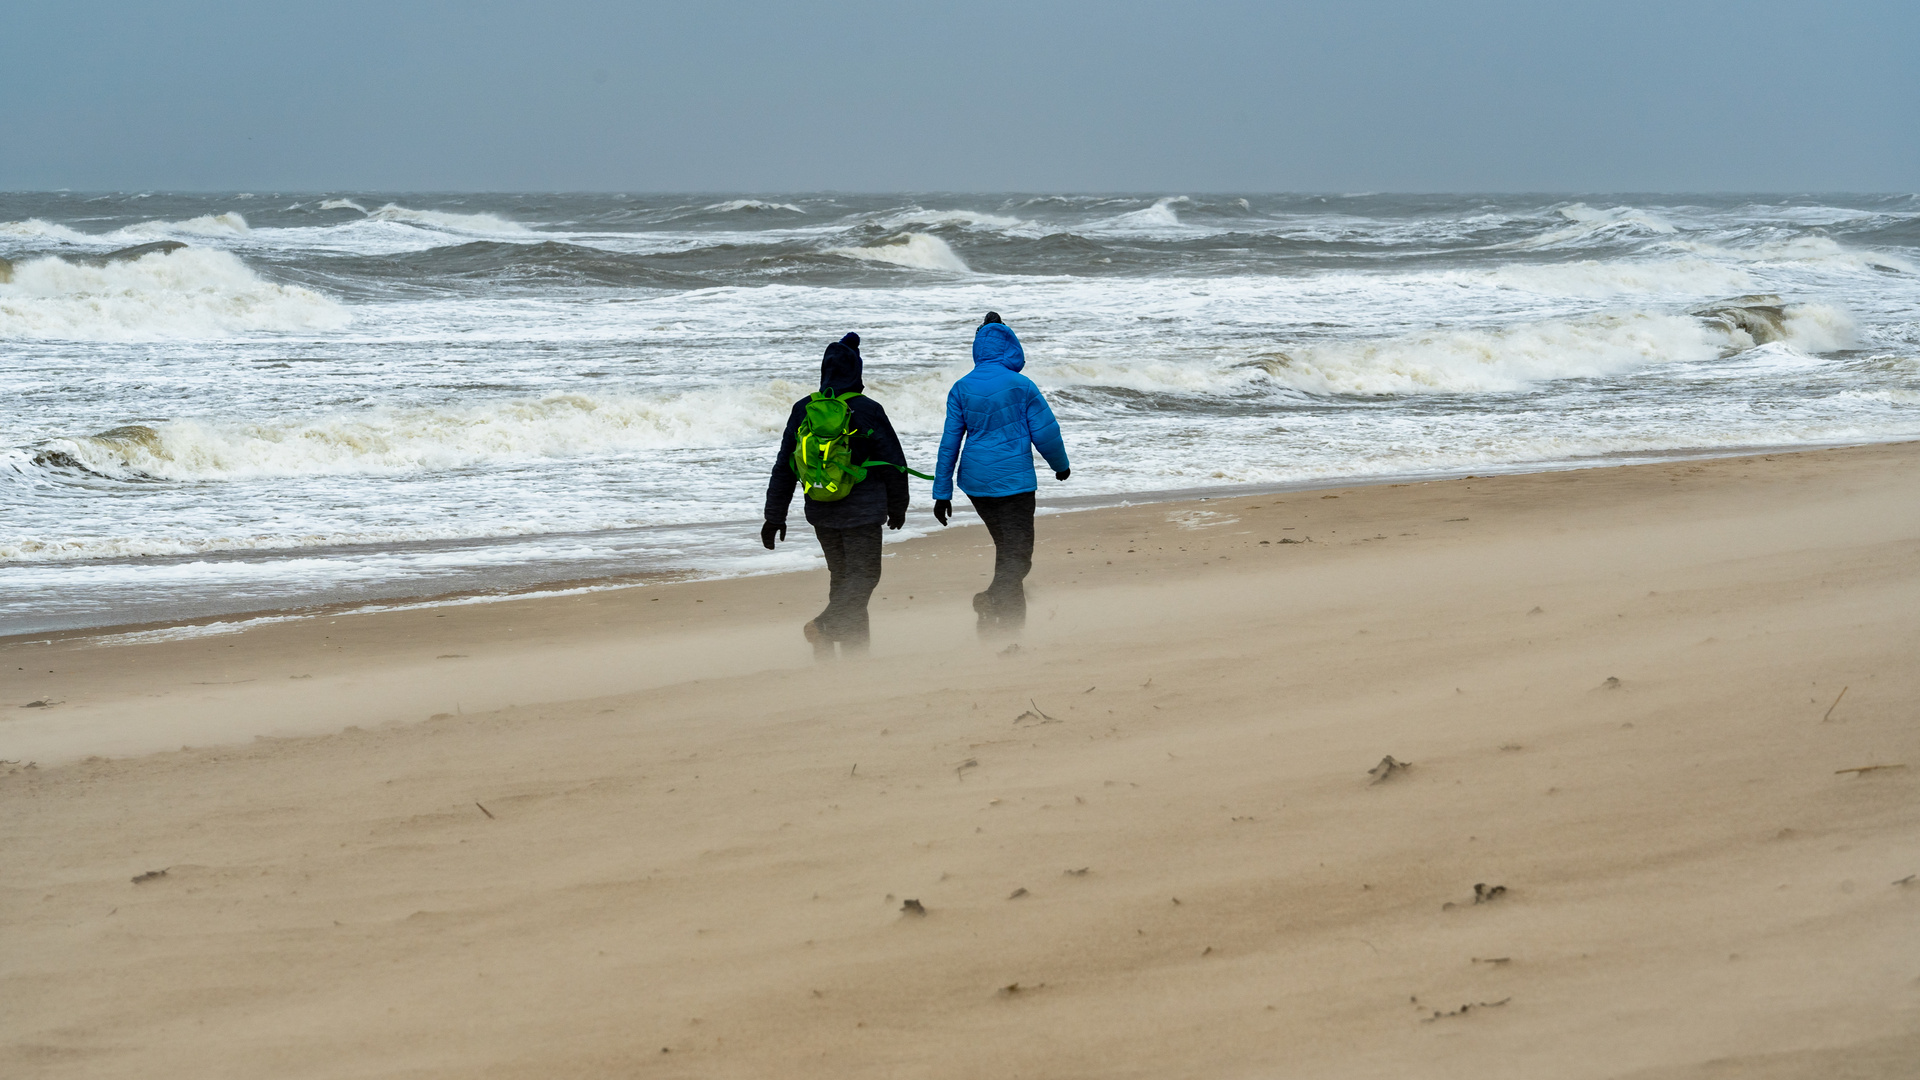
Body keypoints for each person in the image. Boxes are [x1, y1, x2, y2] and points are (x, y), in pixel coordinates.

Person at [763, 333, 910, 657]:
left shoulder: (804, 409)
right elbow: (894, 463)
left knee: (843, 578)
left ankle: (846, 654)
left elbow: (785, 466)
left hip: (820, 508)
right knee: (865, 575)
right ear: (857, 373)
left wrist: (774, 515)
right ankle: (825, 626)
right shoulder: (869, 409)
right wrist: (898, 506)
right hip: (863, 511)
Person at [930, 312, 1070, 634]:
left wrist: (942, 493)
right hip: (1015, 484)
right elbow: (1046, 432)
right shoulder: (1022, 385)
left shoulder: (961, 387)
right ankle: (992, 601)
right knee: (1018, 558)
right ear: (1010, 345)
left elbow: (949, 442)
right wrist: (1060, 466)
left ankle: (1005, 630)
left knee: (1008, 552)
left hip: (976, 485)